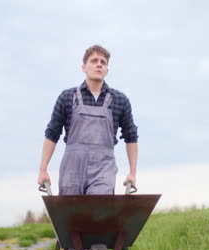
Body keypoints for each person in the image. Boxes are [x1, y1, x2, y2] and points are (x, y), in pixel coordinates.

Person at [38, 44, 138, 195]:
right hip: (72, 168)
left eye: (103, 62)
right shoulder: (67, 97)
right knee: (71, 214)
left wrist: (132, 172)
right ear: (84, 67)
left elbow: (131, 137)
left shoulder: (120, 100)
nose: (99, 64)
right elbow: (52, 133)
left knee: (99, 208)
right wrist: (43, 169)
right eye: (94, 60)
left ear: (107, 70)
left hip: (104, 167)